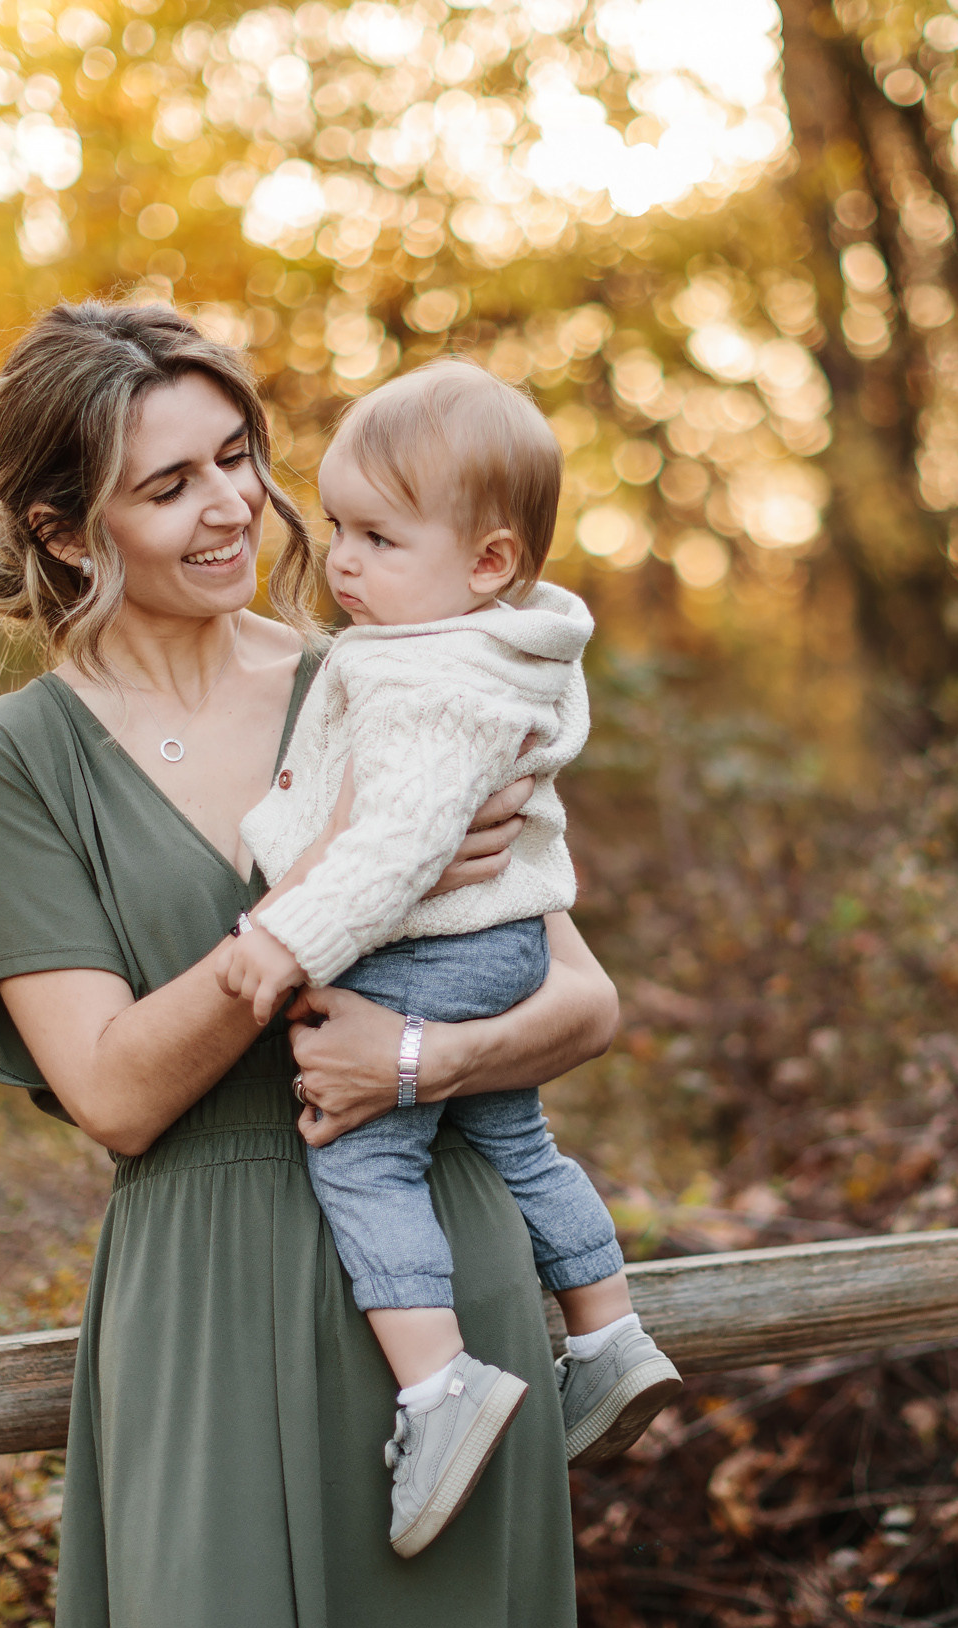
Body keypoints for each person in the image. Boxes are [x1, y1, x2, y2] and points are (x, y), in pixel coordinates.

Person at [0, 300, 608, 1628]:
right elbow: (111, 1088)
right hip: (208, 1312)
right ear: (62, 529)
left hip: (447, 1311)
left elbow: (583, 998)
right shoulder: (6, 767)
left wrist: (412, 1058)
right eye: (171, 485)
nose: (234, 507)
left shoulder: (389, 671)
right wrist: (304, 919)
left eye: (239, 456)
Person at [213, 361, 680, 1560]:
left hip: (421, 958)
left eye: (377, 536)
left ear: (486, 562)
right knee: (519, 1142)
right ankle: (609, 1334)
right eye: (335, 528)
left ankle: (437, 1391)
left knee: (365, 1163)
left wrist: (284, 937)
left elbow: (396, 845)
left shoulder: (424, 679)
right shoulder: (503, 648)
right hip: (506, 952)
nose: (345, 561)